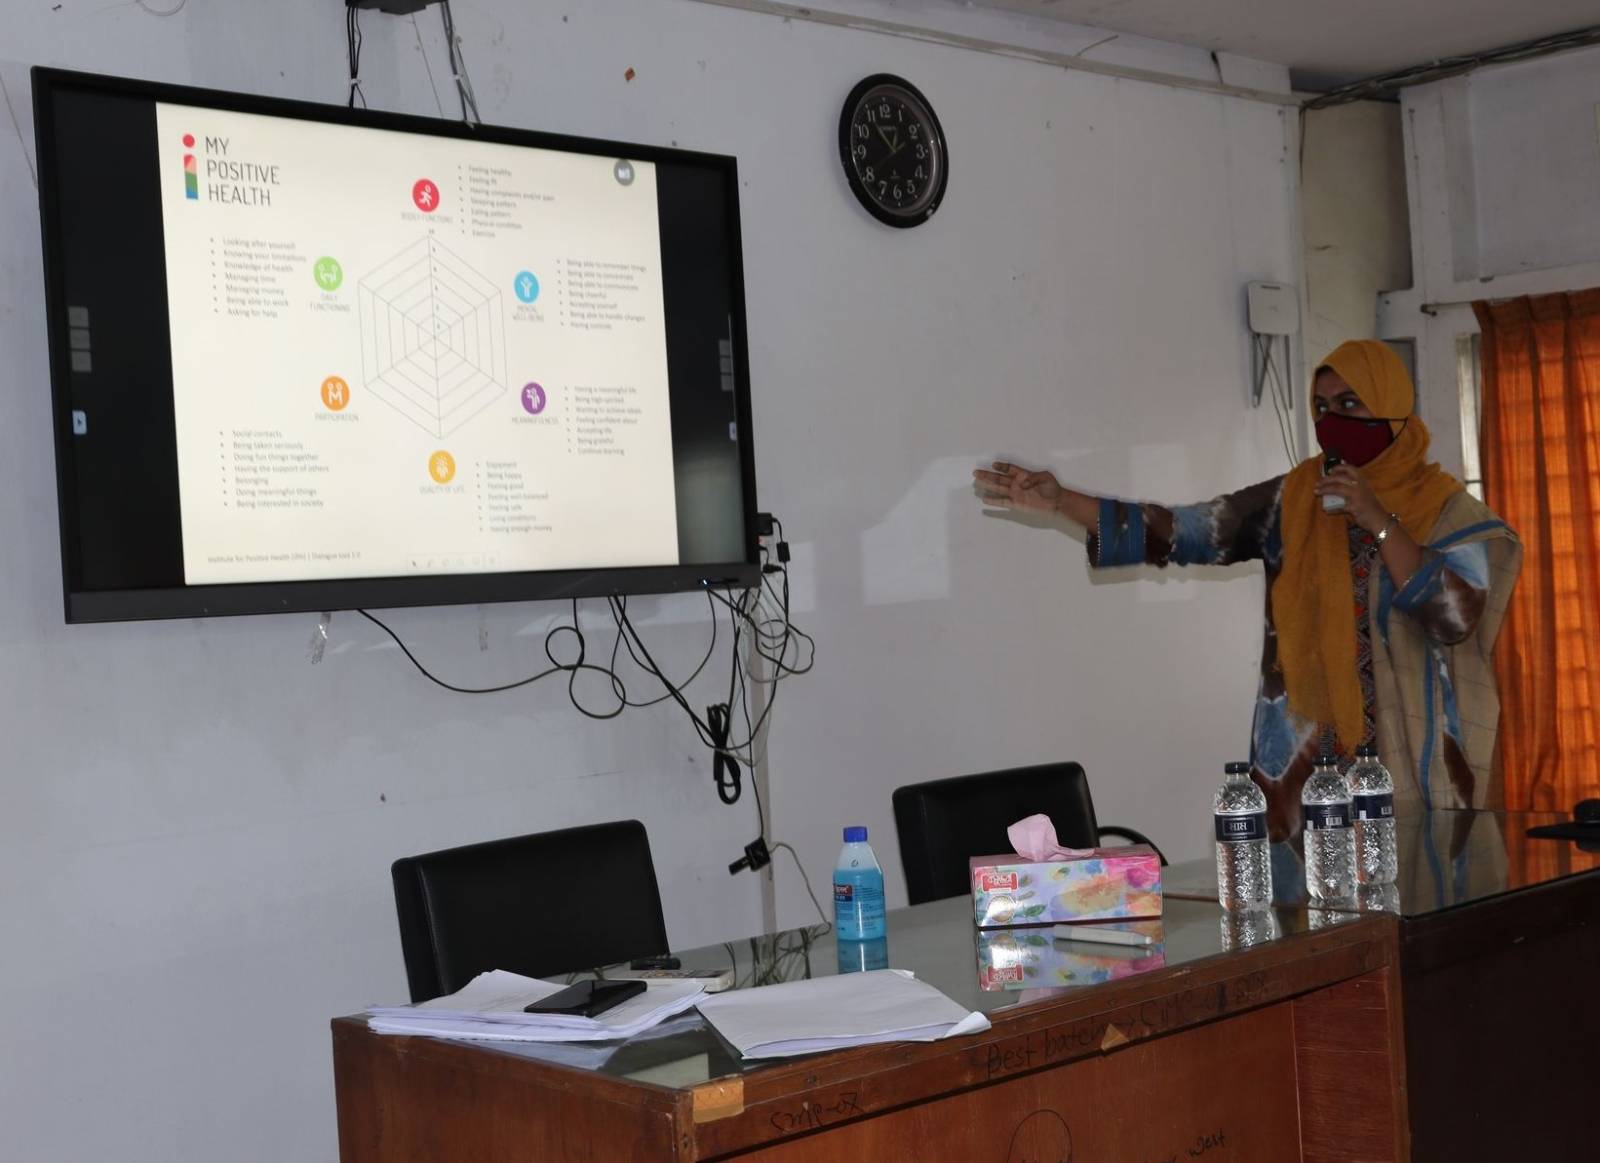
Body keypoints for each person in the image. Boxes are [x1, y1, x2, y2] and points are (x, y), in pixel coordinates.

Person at [973, 340, 1521, 835]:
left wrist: (1377, 518)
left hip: (1415, 768)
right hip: (1306, 770)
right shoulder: (1296, 499)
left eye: (1350, 404)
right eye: (1321, 407)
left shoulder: (1450, 512)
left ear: (1392, 405)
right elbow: (1185, 532)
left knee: (1418, 908)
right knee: (1308, 912)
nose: (1331, 421)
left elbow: (1453, 617)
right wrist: (1063, 502)